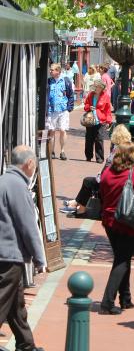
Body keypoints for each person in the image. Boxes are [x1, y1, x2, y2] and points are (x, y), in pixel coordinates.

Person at [99, 143, 134, 314]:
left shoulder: (107, 172)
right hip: (127, 222)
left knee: (122, 258)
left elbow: (102, 192)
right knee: (122, 261)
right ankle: (107, 302)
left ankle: (125, 298)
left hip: (109, 221)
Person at [0, 146, 47, 351]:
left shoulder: (3, 181)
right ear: (29, 164)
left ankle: (26, 344)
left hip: (6, 253)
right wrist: (40, 258)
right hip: (9, 255)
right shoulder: (17, 186)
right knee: (3, 301)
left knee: (15, 304)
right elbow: (28, 226)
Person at [61, 125, 132, 216]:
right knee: (90, 181)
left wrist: (101, 175)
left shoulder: (117, 150)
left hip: (112, 181)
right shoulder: (126, 148)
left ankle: (80, 209)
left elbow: (110, 167)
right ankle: (76, 204)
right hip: (117, 179)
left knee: (88, 181)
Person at [46, 63, 74, 160]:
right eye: (50, 70)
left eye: (52, 70)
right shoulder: (49, 81)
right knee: (52, 131)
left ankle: (62, 151)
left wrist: (69, 107)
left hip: (63, 109)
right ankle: (52, 151)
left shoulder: (66, 80)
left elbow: (70, 94)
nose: (50, 71)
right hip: (52, 109)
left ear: (58, 71)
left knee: (63, 130)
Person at [84, 80, 112, 163]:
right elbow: (85, 105)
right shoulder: (91, 95)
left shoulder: (105, 96)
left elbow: (108, 110)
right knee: (89, 139)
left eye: (97, 86)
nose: (96, 88)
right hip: (90, 119)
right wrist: (89, 107)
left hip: (100, 120)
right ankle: (88, 156)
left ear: (101, 87)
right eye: (95, 86)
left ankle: (99, 157)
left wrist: (108, 121)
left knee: (99, 139)